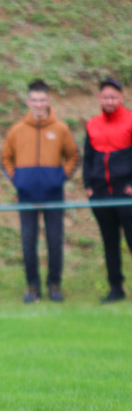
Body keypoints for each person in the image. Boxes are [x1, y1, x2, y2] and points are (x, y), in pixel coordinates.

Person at [1, 79, 79, 303]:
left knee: (55, 241)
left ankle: (54, 285)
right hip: (26, 196)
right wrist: (17, 180)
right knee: (28, 242)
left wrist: (60, 177)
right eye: (34, 100)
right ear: (27, 101)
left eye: (42, 100)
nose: (38, 104)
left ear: (49, 101)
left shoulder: (60, 129)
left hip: (54, 195)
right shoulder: (16, 130)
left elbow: (73, 156)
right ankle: (32, 286)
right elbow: (6, 158)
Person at [83, 77, 132, 303]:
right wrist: (88, 187)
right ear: (99, 99)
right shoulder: (92, 124)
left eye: (113, 97)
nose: (109, 101)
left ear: (121, 97)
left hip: (126, 194)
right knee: (109, 242)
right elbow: (89, 159)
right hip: (101, 195)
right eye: (105, 97)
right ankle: (116, 288)